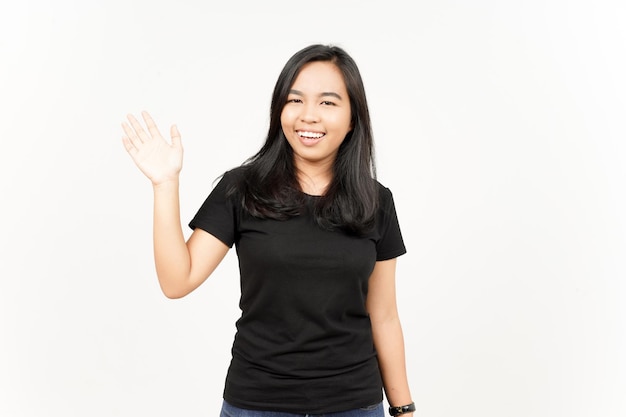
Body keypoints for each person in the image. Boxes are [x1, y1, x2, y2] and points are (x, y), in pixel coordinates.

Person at [121, 44, 415, 417]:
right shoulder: (242, 188)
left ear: (353, 117)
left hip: (353, 404)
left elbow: (385, 314)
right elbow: (177, 281)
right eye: (295, 100)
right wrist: (165, 185)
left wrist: (403, 407)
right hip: (256, 404)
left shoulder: (376, 201)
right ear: (279, 110)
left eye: (328, 103)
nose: (309, 116)